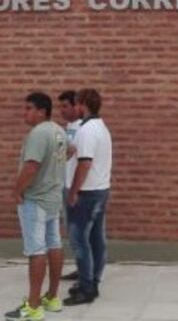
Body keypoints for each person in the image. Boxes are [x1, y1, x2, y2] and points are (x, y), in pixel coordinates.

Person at [5, 92, 67, 321]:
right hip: (53, 198)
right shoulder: (58, 130)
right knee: (54, 244)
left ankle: (33, 306)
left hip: (36, 200)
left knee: (36, 251)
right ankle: (52, 297)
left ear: (42, 111)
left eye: (29, 108)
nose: (25, 113)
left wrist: (16, 190)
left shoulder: (38, 133)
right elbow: (69, 152)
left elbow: (31, 167)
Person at [64, 88, 112, 306]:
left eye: (76, 103)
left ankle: (86, 288)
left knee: (79, 240)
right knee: (95, 239)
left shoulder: (87, 130)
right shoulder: (101, 127)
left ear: (82, 104)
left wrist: (73, 191)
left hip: (87, 193)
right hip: (101, 189)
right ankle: (92, 281)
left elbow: (85, 163)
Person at [56, 89, 82, 282]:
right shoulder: (68, 127)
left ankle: (85, 270)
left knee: (77, 229)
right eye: (60, 106)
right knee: (71, 228)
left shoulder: (83, 127)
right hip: (65, 184)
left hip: (76, 187)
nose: (61, 110)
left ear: (76, 106)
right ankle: (81, 266)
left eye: (65, 106)